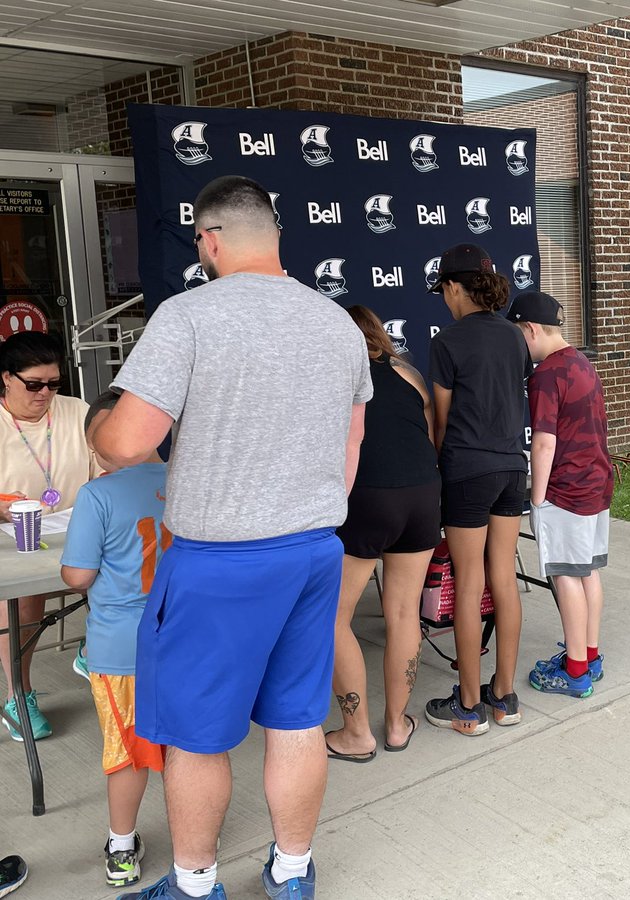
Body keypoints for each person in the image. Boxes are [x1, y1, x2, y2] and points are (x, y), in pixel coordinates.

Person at [93, 175, 371, 900]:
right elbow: (352, 446)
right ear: (275, 235)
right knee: (296, 720)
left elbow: (126, 442)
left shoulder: (188, 317)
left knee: (195, 733)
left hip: (220, 560)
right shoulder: (337, 323)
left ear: (208, 240)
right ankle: (291, 873)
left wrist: (96, 425)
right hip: (312, 550)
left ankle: (192, 886)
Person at [60, 390, 167, 889]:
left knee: (127, 752)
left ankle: (122, 848)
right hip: (186, 641)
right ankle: (197, 847)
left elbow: (78, 576)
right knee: (193, 750)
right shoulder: (188, 481)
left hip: (122, 647)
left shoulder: (98, 495)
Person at [324, 306, 440, 763]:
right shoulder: (408, 375)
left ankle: (356, 734)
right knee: (404, 612)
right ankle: (396, 725)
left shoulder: (332, 379)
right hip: (423, 494)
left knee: (333, 618)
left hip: (369, 497)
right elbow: (426, 438)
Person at [424, 242, 531, 736]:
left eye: (443, 290)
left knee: (469, 584)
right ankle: (504, 698)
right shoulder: (514, 337)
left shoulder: (447, 342)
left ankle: (468, 706)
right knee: (503, 578)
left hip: (467, 471)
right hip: (512, 468)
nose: (443, 299)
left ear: (453, 287)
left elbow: (441, 423)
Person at [507, 291, 612, 698]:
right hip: (596, 483)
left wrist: (536, 497)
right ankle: (588, 654)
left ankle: (575, 671)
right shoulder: (582, 362)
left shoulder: (546, 375)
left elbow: (544, 442)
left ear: (530, 329)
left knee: (565, 574)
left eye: (519, 334)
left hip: (565, 490)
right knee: (587, 570)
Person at [0, 330, 103, 741]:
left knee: (134, 565)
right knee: (25, 598)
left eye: (53, 383)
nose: (45, 393)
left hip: (78, 528)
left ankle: (96, 650)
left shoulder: (76, 411)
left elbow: (106, 466)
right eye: (34, 384)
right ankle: (17, 694)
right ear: (6, 378)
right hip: (14, 539)